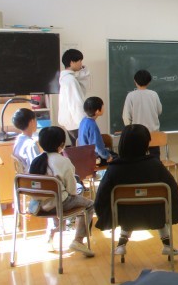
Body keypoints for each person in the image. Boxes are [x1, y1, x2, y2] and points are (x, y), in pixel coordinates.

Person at [94, 124, 178, 256]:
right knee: (156, 205)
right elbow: (173, 188)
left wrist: (104, 215)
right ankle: (167, 245)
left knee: (128, 208)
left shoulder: (114, 168)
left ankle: (121, 245)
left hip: (123, 215)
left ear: (122, 143)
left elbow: (101, 196)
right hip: (154, 213)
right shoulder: (155, 165)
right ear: (146, 144)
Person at [28, 126, 95, 257]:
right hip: (59, 204)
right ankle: (78, 240)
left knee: (55, 198)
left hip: (39, 205)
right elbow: (72, 190)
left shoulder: (36, 161)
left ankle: (49, 237)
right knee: (89, 205)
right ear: (62, 144)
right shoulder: (63, 161)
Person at [122, 69, 163, 158]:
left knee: (138, 158)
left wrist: (129, 130)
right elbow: (159, 111)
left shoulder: (131, 95)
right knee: (155, 158)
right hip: (153, 133)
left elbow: (126, 116)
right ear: (149, 82)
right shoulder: (154, 94)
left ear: (135, 81)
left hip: (137, 134)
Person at [58, 48, 90, 145]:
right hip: (76, 123)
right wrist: (84, 124)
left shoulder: (68, 78)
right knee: (82, 150)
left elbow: (82, 86)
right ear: (72, 62)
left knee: (78, 148)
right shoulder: (70, 80)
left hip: (72, 123)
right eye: (80, 61)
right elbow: (76, 104)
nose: (81, 63)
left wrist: (83, 70)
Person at [78, 96, 116, 164]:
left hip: (84, 155)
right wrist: (107, 156)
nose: (104, 108)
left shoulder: (84, 120)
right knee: (117, 158)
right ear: (97, 111)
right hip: (93, 159)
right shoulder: (92, 125)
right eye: (103, 106)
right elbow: (98, 147)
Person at [11, 108, 40, 172]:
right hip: (30, 177)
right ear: (31, 122)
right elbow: (37, 168)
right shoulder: (31, 144)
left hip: (22, 176)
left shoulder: (18, 139)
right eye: (35, 120)